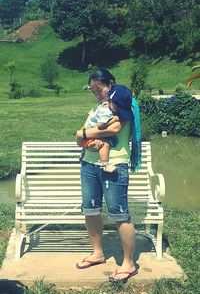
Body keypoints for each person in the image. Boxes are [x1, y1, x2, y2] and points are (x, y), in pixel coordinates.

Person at [76, 68, 141, 283]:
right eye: (92, 89)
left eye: (99, 88)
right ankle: (98, 253)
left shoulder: (125, 104)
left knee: (119, 213)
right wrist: (85, 137)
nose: (96, 92)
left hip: (114, 165)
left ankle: (129, 264)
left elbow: (113, 130)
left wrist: (85, 133)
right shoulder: (96, 108)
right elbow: (80, 136)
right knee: (91, 209)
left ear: (111, 83)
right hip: (89, 165)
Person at [80, 101, 120, 173]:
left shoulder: (99, 108)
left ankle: (83, 152)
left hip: (87, 133)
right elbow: (100, 125)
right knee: (105, 144)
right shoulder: (106, 111)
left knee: (91, 143)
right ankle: (104, 165)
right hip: (92, 134)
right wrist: (113, 120)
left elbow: (81, 132)